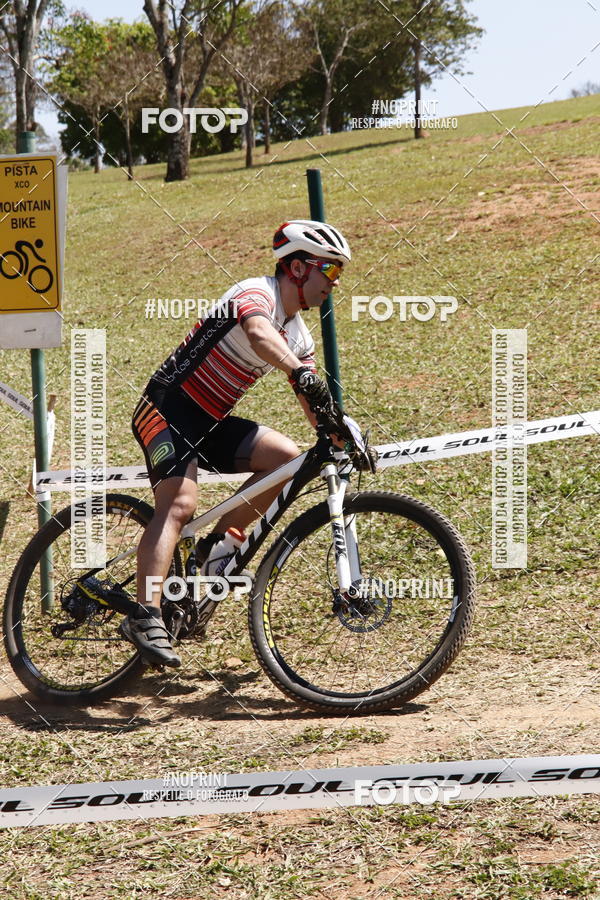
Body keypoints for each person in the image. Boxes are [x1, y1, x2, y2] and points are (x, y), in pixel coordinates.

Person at [120, 220, 351, 667]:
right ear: (298, 268)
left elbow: (311, 398)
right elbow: (260, 334)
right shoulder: (255, 292)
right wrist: (297, 370)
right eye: (330, 269)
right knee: (180, 503)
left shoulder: (300, 335)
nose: (334, 282)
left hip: (210, 422)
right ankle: (144, 615)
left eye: (338, 273)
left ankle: (214, 546)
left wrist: (340, 433)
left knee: (287, 460)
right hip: (166, 409)